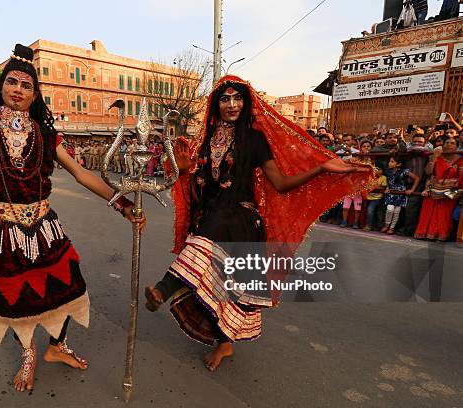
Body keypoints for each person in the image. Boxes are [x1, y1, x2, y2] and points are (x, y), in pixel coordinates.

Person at [0, 44, 146, 393]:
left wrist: (122, 203)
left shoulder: (45, 133)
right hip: (0, 230)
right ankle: (28, 353)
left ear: (35, 93)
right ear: (1, 85)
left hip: (45, 226)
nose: (18, 90)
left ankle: (57, 347)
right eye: (12, 82)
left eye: (26, 85)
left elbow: (81, 174)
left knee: (68, 287)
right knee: (16, 297)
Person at [143, 75, 373, 372]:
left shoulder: (254, 139)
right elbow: (196, 182)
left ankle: (163, 289)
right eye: (225, 99)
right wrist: (184, 170)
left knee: (227, 281)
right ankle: (223, 343)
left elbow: (280, 183)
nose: (231, 104)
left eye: (237, 99)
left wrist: (320, 168)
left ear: (246, 103)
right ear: (217, 104)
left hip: (239, 218)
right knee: (220, 289)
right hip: (211, 216)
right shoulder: (207, 138)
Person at [414, 138, 462, 241]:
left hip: (452, 190)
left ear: (457, 146)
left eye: (452, 143)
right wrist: (435, 158)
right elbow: (428, 172)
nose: (449, 145)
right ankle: (425, 234)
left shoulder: (460, 159)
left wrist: (449, 189)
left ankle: (441, 236)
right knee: (428, 210)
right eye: (447, 142)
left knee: (445, 213)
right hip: (433, 189)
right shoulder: (436, 156)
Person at [382, 155, 420, 234]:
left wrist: (412, 190)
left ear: (398, 164)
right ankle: (386, 224)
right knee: (390, 209)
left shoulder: (404, 171)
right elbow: (387, 181)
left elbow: (417, 178)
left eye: (392, 161)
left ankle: (392, 228)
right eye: (389, 161)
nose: (389, 163)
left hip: (401, 194)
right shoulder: (387, 171)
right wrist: (387, 187)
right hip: (391, 193)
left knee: (396, 212)